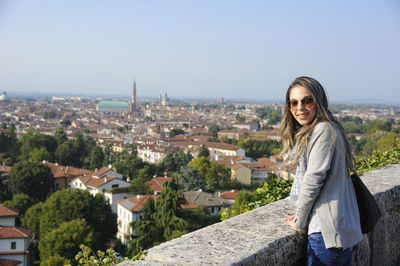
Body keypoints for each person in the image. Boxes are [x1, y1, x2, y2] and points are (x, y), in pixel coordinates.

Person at [281, 76, 363, 265]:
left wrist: (300, 220)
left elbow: (313, 179)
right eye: (293, 103)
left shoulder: (323, 130)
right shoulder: (332, 127)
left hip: (327, 234)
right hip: (341, 229)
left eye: (306, 101)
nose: (299, 108)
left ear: (319, 100)